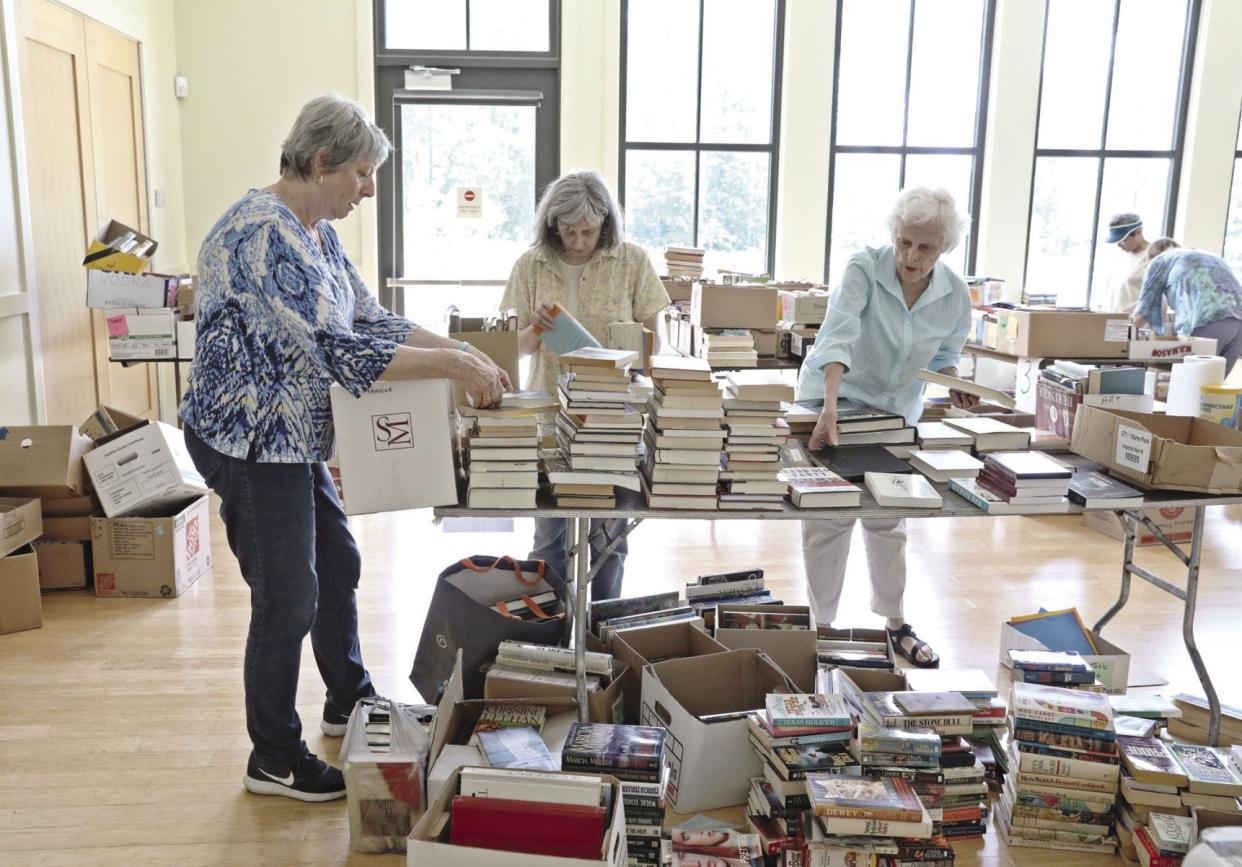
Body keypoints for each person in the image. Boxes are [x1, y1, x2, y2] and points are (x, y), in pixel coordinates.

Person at [179, 94, 508, 802]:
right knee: (288, 596)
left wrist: (460, 349)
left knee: (339, 560)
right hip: (250, 441)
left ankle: (348, 700)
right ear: (322, 161)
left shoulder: (316, 231)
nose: (368, 189)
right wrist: (456, 368)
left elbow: (371, 316)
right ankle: (272, 756)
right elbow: (344, 353)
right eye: (361, 173)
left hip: (293, 436)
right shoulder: (261, 236)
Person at [796, 187, 978, 668]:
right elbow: (838, 336)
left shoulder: (955, 294)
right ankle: (823, 630)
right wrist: (830, 408)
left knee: (888, 519)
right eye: (904, 242)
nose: (911, 256)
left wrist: (954, 382)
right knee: (829, 519)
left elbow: (946, 357)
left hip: (894, 415)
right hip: (832, 400)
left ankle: (896, 625)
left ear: (945, 248)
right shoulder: (864, 267)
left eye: (925, 247)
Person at [500, 170, 670, 600]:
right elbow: (515, 350)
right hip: (550, 421)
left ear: (606, 224)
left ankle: (602, 632)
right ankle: (553, 632)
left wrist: (627, 347)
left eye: (588, 232)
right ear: (552, 225)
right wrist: (536, 330)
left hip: (612, 420)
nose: (577, 241)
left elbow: (655, 346)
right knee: (549, 541)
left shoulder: (631, 261)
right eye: (569, 231)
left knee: (609, 542)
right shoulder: (530, 264)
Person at [1132, 238, 1242, 376]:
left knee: (1189, 385)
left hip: (1207, 321)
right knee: (1214, 388)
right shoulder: (1205, 256)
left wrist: (1123, 338)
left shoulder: (1159, 261)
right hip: (1238, 324)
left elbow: (1143, 311)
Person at [1096, 212, 1151, 314]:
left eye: (1124, 240)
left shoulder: (1153, 257)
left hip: (1138, 324)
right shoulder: (1119, 257)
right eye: (1117, 241)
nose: (1119, 245)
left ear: (1138, 232)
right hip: (1113, 322)